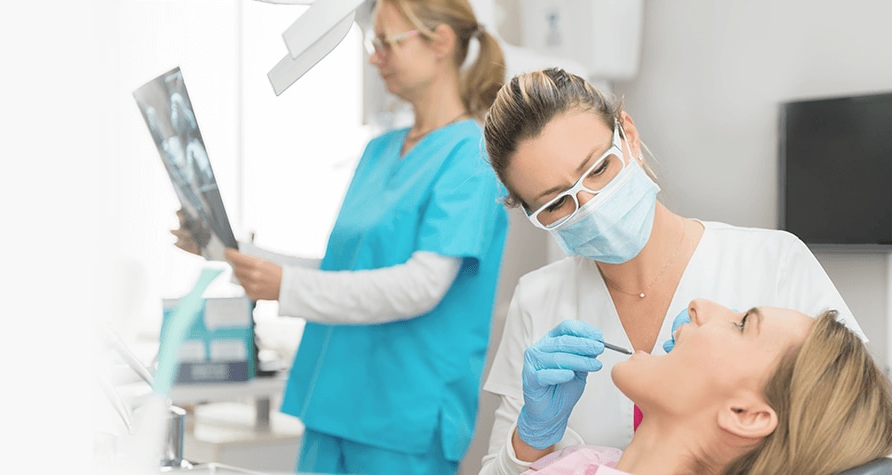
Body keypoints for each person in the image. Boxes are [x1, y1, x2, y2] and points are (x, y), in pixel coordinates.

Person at [476, 67, 870, 475]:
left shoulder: (774, 261)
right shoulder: (538, 298)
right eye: (556, 203)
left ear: (628, 134)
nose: (591, 205)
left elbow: (859, 431)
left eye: (598, 169)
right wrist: (532, 438)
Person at [173, 0, 508, 472]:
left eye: (387, 44)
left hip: (402, 418)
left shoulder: (470, 158)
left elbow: (420, 286)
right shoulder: (379, 151)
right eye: (374, 45)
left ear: (441, 44)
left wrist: (284, 287)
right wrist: (228, 250)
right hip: (333, 404)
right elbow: (340, 271)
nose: (375, 58)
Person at [523, 299, 892, 475]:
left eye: (741, 324)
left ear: (744, 414)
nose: (698, 305)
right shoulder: (585, 465)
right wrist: (533, 441)